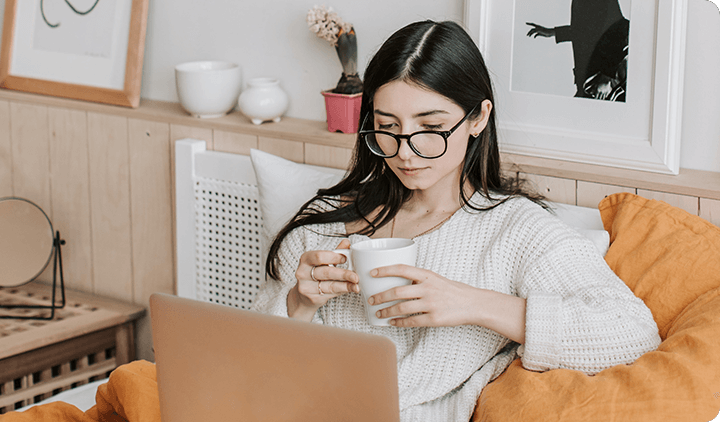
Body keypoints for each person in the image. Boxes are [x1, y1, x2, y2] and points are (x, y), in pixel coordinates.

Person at [252, 20, 660, 421]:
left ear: (478, 118)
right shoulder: (320, 231)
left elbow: (632, 332)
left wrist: (472, 303)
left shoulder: (515, 231)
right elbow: (254, 367)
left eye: (431, 127)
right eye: (387, 127)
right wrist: (298, 305)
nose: (405, 152)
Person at [526, 0, 629, 101]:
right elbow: (586, 30)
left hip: (603, 84)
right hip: (589, 82)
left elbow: (620, 27)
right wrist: (553, 32)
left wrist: (607, 77)